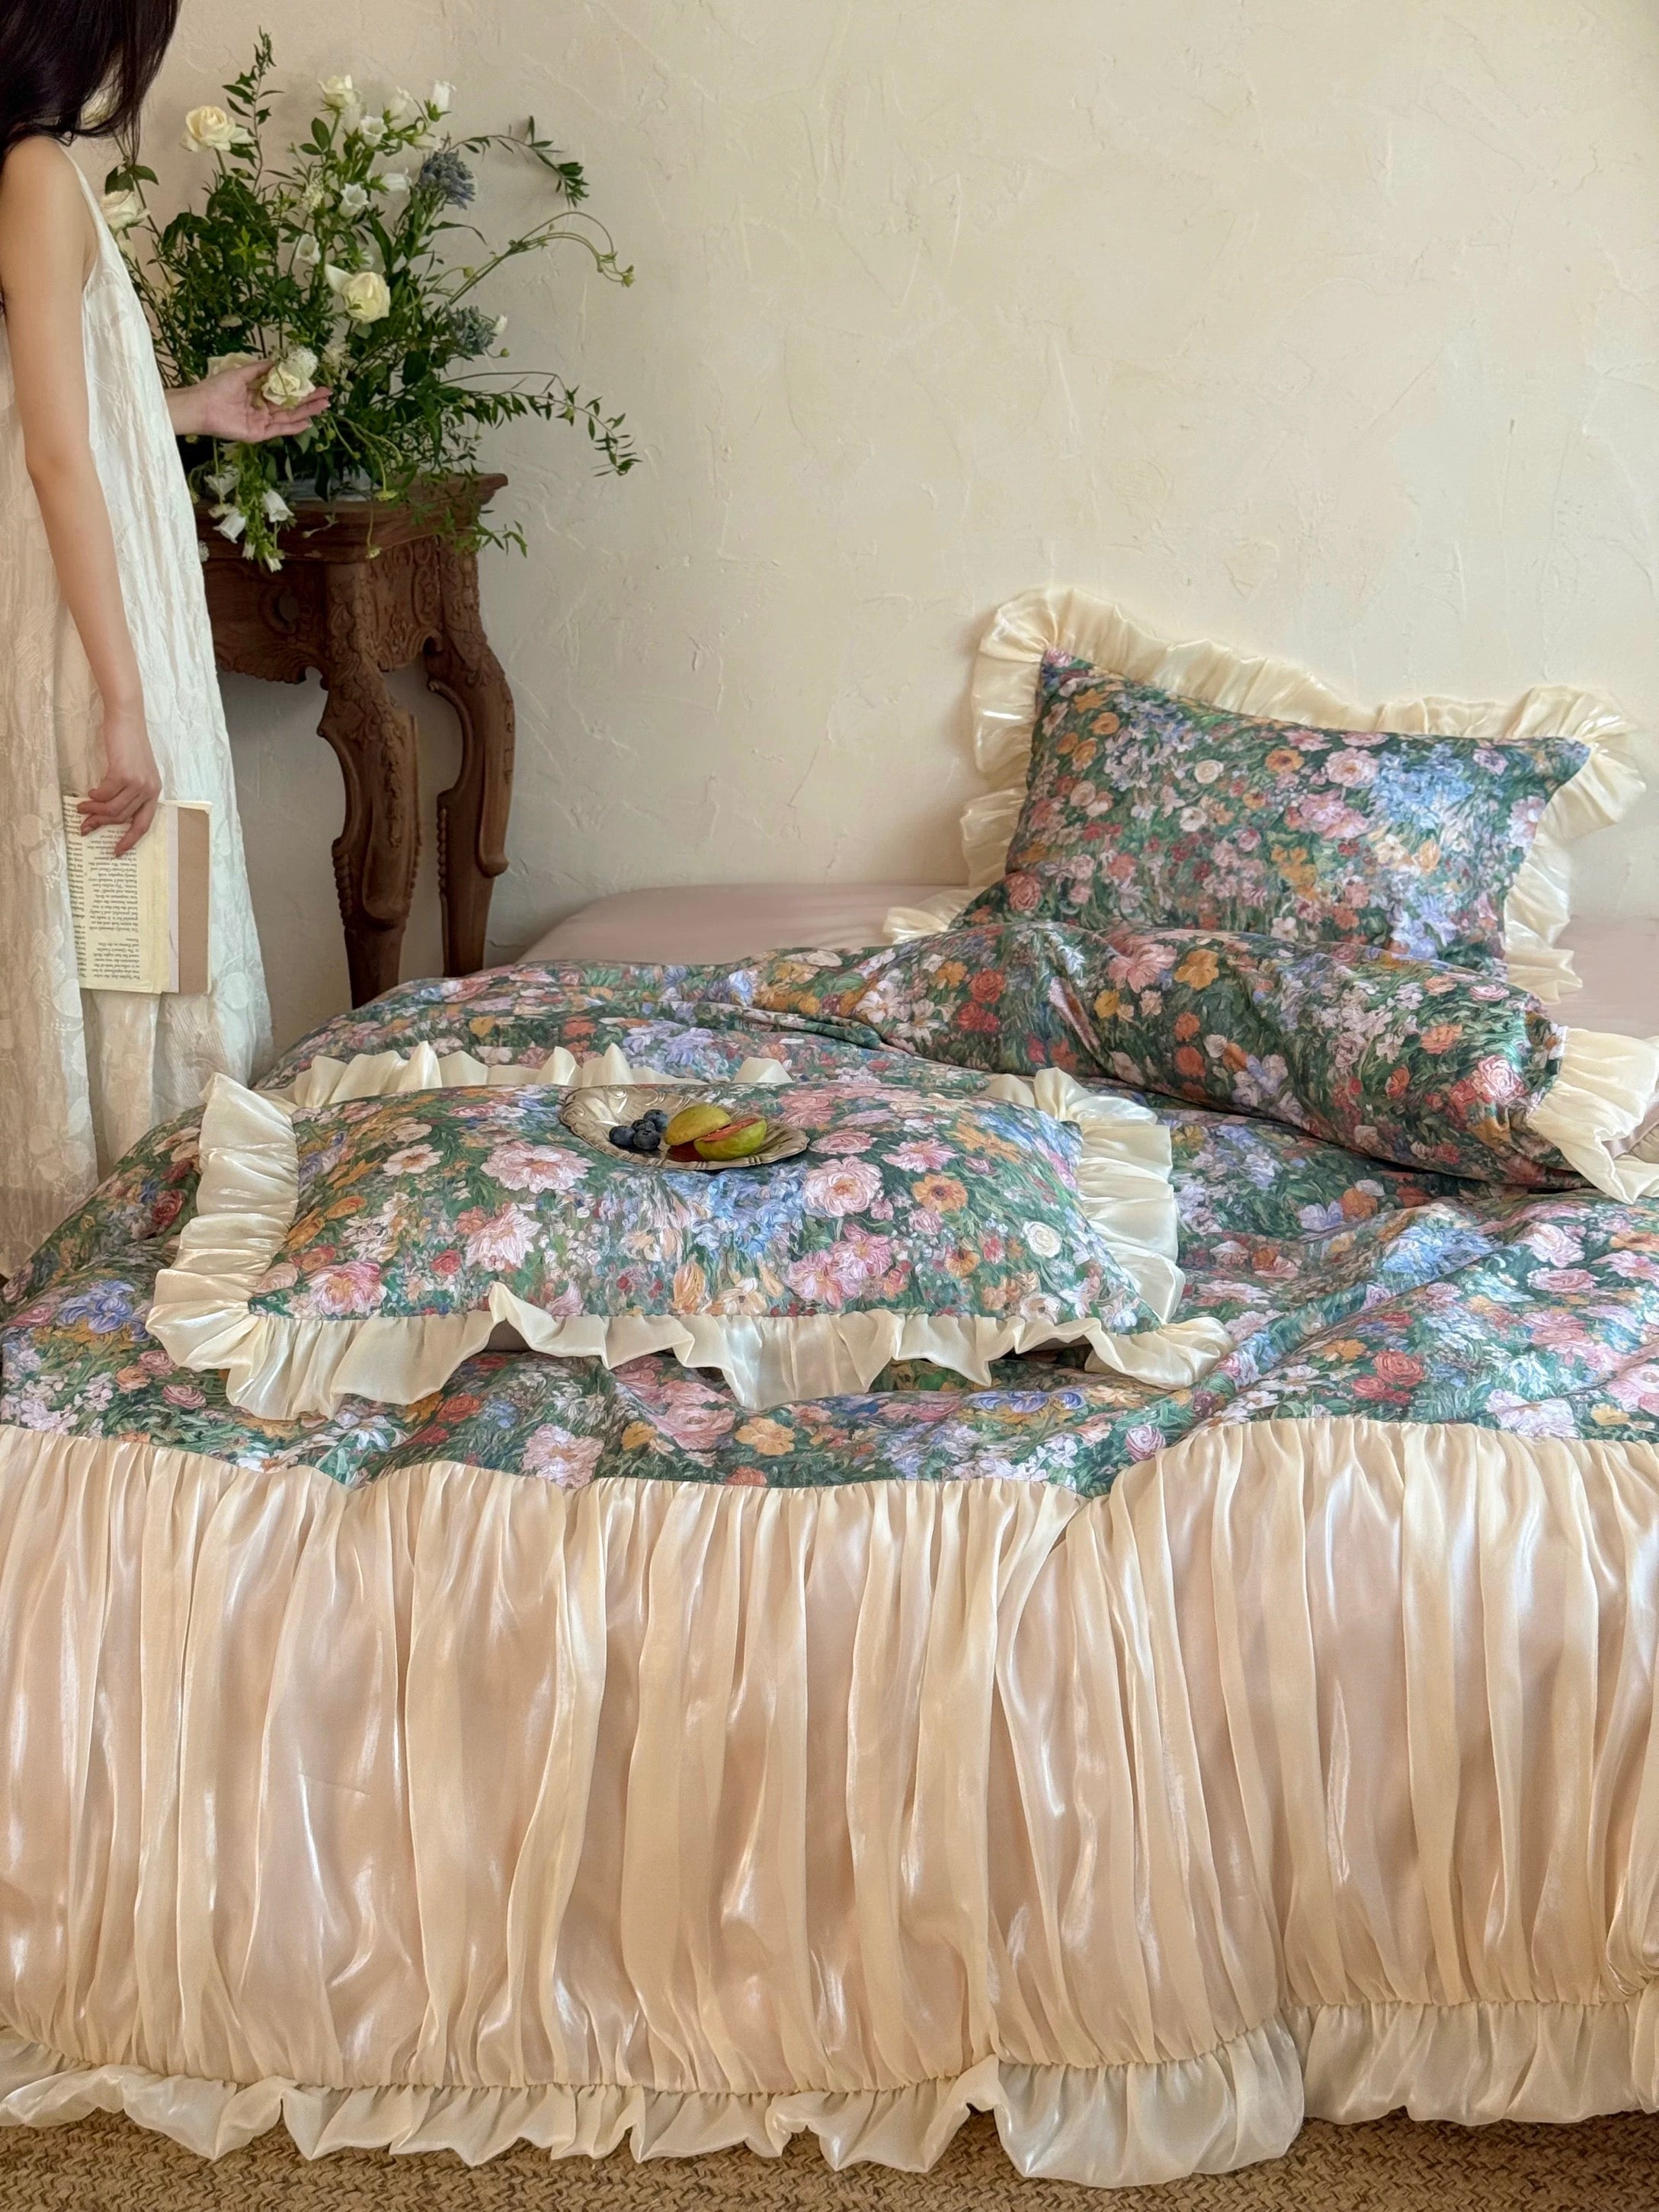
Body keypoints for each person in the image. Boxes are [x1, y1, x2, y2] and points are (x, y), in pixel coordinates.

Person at [0, 0, 328, 1275]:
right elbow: (53, 453)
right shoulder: (35, 170)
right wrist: (124, 702)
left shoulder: (27, 170)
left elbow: (49, 408)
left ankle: (119, 1243)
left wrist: (191, 408)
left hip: (86, 615)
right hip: (94, 631)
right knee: (137, 937)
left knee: (124, 936)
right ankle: (133, 1259)